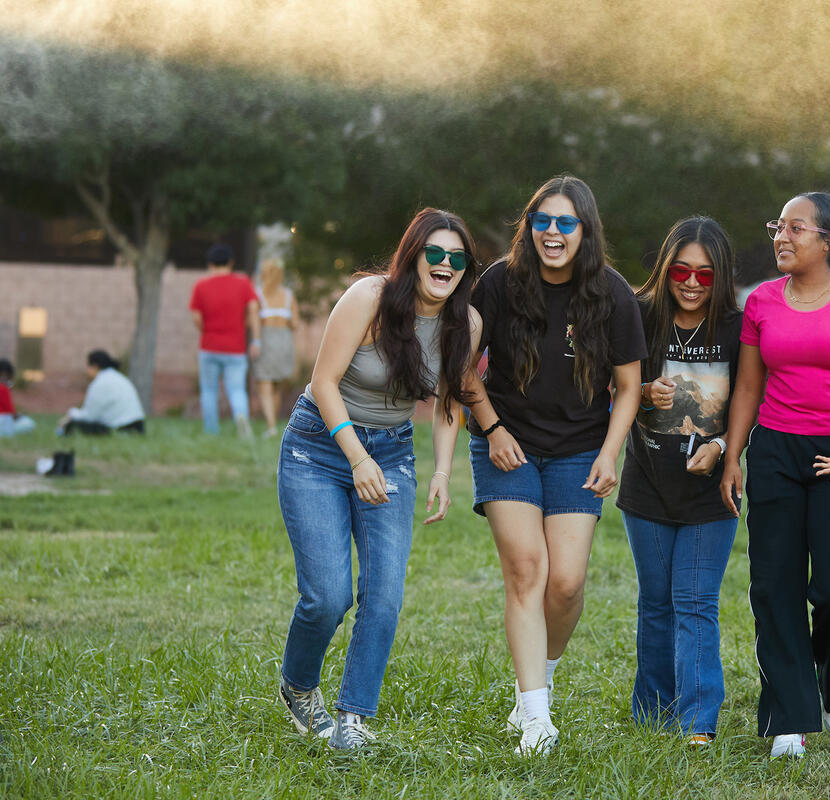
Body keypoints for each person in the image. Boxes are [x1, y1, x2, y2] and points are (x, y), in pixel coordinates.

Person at [276, 208, 481, 750]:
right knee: (327, 597)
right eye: (434, 253)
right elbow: (323, 382)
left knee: (385, 595)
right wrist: (355, 457)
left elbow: (448, 402)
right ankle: (297, 685)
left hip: (391, 454)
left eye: (456, 258)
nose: (444, 264)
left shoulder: (467, 323)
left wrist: (441, 470)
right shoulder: (369, 298)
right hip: (318, 447)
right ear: (412, 255)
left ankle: (352, 717)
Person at [464, 176, 645, 756]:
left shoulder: (611, 293)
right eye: (543, 220)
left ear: (584, 231)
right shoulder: (498, 283)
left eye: (565, 223)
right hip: (506, 445)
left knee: (565, 584)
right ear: (530, 225)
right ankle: (536, 718)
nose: (552, 232)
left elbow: (628, 385)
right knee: (527, 570)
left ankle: (537, 675)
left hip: (578, 450)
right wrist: (491, 428)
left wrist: (609, 451)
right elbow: (462, 367)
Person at [719, 192, 830, 761]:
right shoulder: (763, 302)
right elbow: (747, 387)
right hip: (774, 452)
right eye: (778, 226)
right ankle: (789, 717)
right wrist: (732, 456)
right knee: (775, 586)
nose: (781, 237)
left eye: (796, 228)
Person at [616, 217, 742, 747]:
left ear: (720, 278)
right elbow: (608, 386)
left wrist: (721, 447)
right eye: (682, 270)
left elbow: (751, 400)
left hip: (712, 491)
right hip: (646, 484)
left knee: (696, 600)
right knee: (656, 601)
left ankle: (697, 720)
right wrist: (643, 392)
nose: (692, 283)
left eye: (705, 275)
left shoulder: (738, 327)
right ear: (666, 269)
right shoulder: (639, 316)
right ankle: (652, 709)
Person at [189, 243, 260, 437]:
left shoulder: (201, 286)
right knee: (237, 390)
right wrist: (255, 339)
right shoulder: (243, 283)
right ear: (231, 262)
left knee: (209, 391)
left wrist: (207, 330)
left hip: (209, 346)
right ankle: (242, 424)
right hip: (235, 348)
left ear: (210, 263)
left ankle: (211, 432)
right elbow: (253, 309)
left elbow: (196, 317)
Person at [253, 258, 299, 437]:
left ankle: (271, 426)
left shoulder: (258, 295)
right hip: (284, 341)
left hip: (266, 341)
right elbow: (295, 323)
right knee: (277, 385)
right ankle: (272, 425)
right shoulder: (289, 296)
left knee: (265, 383)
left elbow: (255, 322)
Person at [55, 350, 145, 435]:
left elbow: (90, 416)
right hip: (139, 426)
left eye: (88, 366)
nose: (86, 371)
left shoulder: (99, 383)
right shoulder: (119, 377)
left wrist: (71, 414)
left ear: (94, 366)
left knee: (74, 424)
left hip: (121, 428)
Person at [0, 358, 35, 437]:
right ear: (4, 374)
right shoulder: (3, 388)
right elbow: (11, 414)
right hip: (3, 427)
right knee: (29, 423)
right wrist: (20, 415)